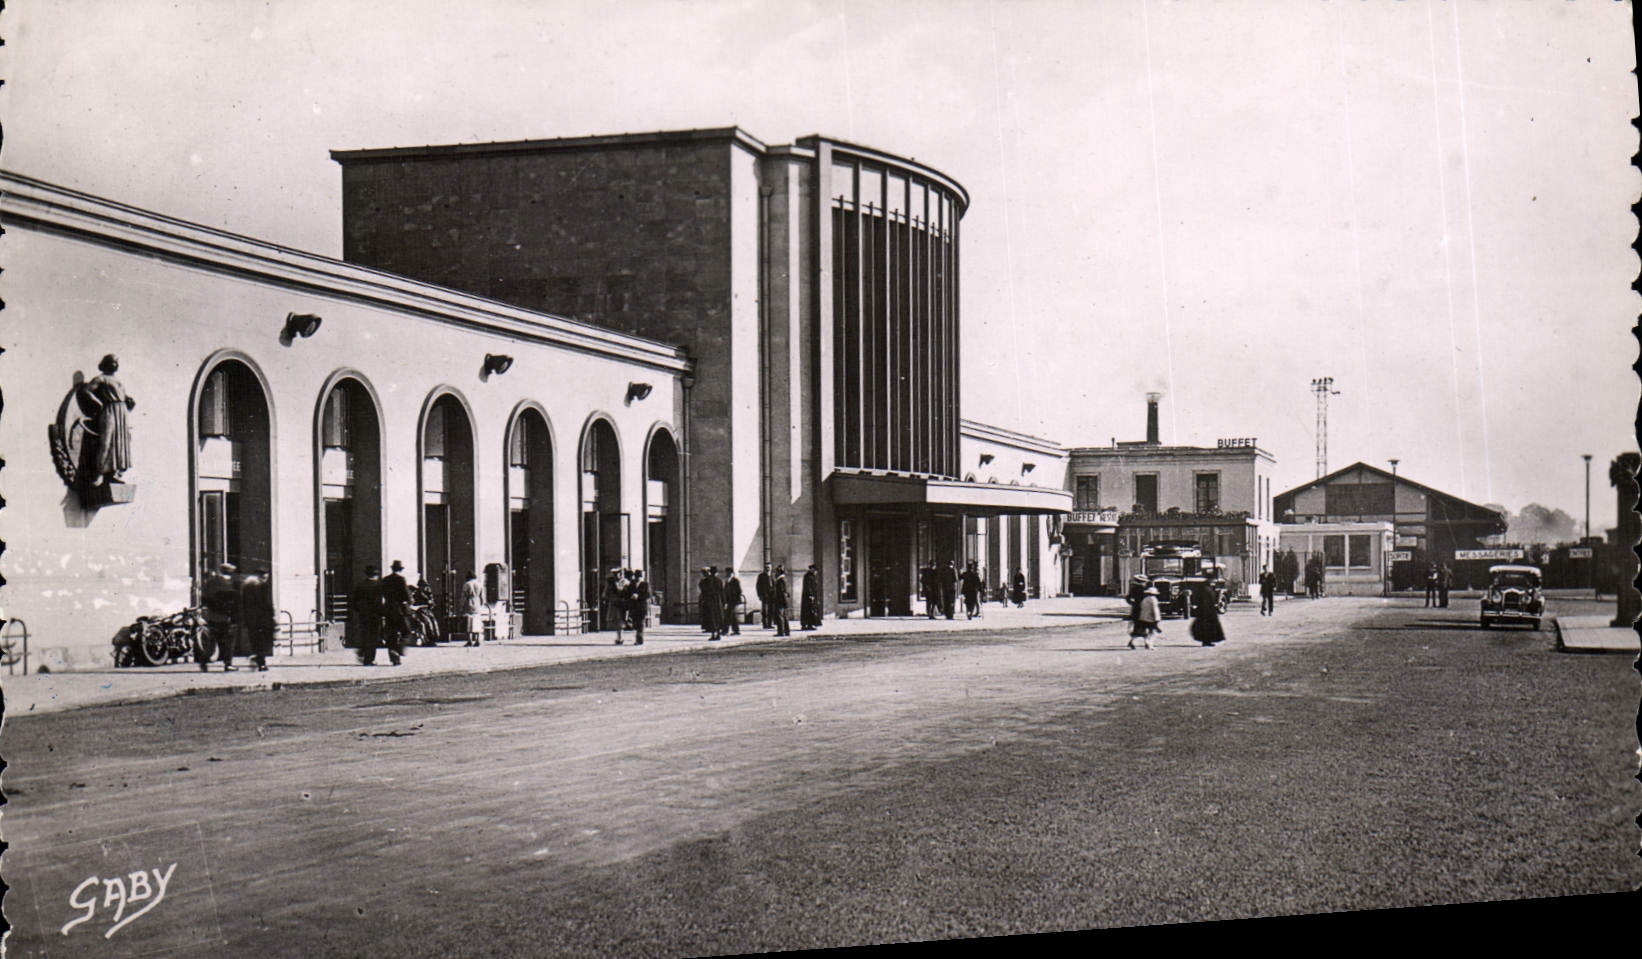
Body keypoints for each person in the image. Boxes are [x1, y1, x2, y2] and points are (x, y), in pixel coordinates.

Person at [79, 353, 137, 486]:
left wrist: (129, 402)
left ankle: (112, 474)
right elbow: (87, 391)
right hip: (110, 411)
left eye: (117, 362)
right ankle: (98, 473)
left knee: (120, 443)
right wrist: (98, 402)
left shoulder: (117, 381)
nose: (116, 364)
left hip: (121, 413)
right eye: (113, 361)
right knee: (107, 441)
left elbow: (122, 396)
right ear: (106, 363)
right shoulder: (101, 379)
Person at [199, 562, 240, 672]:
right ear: (230, 572)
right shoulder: (229, 584)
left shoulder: (211, 582)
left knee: (212, 640)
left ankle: (203, 661)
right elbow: (232, 603)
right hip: (226, 618)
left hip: (213, 617)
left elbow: (205, 599)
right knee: (229, 642)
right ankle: (228, 664)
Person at [349, 565, 384, 665]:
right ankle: (369, 659)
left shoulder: (360, 585)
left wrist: (359, 610)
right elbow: (379, 602)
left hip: (363, 615)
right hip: (374, 615)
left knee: (364, 634)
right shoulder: (378, 586)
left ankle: (362, 651)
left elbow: (355, 601)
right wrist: (382, 613)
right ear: (376, 575)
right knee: (373, 637)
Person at [242, 567, 276, 671]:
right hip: (262, 619)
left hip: (252, 619)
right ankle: (261, 662)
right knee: (263, 641)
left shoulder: (247, 586)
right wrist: (271, 615)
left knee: (256, 641)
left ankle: (259, 660)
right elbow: (266, 603)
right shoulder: (261, 586)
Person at [379, 560, 411, 665]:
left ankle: (394, 659)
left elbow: (382, 593)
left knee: (391, 634)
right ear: (400, 569)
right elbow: (406, 595)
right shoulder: (401, 579)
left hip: (388, 610)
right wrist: (410, 601)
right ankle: (399, 648)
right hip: (400, 610)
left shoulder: (385, 580)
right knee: (406, 631)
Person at [1190, 581, 1225, 647]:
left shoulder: (1206, 589)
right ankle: (1207, 641)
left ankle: (1207, 641)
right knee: (1207, 627)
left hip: (1206, 611)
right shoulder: (1207, 590)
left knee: (1207, 627)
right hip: (1207, 612)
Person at [1130, 586, 1162, 650]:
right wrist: (1157, 619)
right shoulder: (1154, 599)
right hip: (1151, 619)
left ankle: (1133, 641)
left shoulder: (1145, 599)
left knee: (1141, 632)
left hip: (1142, 618)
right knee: (1153, 632)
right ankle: (1149, 644)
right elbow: (1155, 609)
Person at [699, 566, 724, 641]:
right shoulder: (718, 580)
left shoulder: (705, 581)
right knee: (718, 618)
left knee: (712, 618)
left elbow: (703, 591)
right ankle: (718, 634)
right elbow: (722, 592)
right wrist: (724, 602)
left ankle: (713, 634)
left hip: (709, 601)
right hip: (717, 601)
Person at [627, 569, 650, 645]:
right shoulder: (632, 584)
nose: (638, 578)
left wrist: (639, 596)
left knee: (640, 623)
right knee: (635, 623)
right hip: (634, 607)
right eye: (637, 576)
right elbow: (627, 593)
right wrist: (631, 596)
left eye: (640, 577)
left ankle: (639, 639)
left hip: (642, 606)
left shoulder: (645, 584)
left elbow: (648, 595)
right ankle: (638, 637)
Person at [722, 566, 744, 636]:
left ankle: (731, 630)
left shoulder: (735, 581)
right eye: (727, 573)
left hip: (734, 601)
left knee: (731, 615)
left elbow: (739, 591)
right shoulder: (727, 581)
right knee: (729, 615)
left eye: (729, 573)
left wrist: (734, 596)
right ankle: (728, 630)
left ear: (732, 573)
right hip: (728, 601)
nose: (727, 574)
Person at [771, 564, 791, 636]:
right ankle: (787, 631)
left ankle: (781, 632)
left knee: (780, 616)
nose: (775, 573)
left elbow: (781, 592)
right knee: (784, 616)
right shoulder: (783, 580)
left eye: (776, 572)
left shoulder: (780, 581)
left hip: (780, 601)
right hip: (784, 601)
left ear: (779, 572)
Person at [801, 563, 823, 630]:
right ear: (812, 569)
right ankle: (808, 625)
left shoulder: (812, 576)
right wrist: (810, 595)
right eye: (815, 570)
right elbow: (808, 587)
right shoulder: (808, 576)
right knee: (809, 611)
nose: (816, 572)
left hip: (812, 596)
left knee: (811, 610)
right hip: (808, 597)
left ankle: (809, 624)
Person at [756, 564, 775, 629]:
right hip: (764, 596)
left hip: (772, 596)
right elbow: (758, 586)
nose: (768, 569)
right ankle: (765, 624)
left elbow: (774, 585)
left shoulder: (773, 576)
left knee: (771, 610)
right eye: (766, 567)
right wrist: (759, 595)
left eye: (769, 567)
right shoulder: (761, 576)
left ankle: (770, 624)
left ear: (771, 568)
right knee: (765, 611)